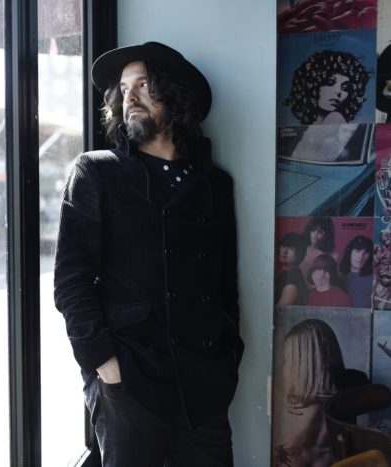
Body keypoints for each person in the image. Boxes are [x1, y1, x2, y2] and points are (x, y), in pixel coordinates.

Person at [54, 41, 243, 467]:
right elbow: (70, 281)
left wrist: (228, 358)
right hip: (130, 381)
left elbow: (224, 283)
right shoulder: (97, 171)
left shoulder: (214, 185)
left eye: (143, 85)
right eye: (124, 89)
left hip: (203, 383)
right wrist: (104, 365)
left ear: (174, 96)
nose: (130, 97)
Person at [274, 319, 367, 467]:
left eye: (286, 361)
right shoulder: (354, 384)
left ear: (297, 366)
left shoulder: (287, 449)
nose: (283, 369)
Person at [284, 50, 370, 125]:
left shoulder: (335, 117)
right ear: (312, 84)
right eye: (330, 83)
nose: (338, 92)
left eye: (345, 88)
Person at [339, 235, 373, 308]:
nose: (361, 256)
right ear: (349, 251)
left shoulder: (374, 279)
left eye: (366, 252)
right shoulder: (337, 274)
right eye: (357, 251)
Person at [276, 232, 308, 306]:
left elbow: (282, 309)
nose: (284, 251)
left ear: (299, 254)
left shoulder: (294, 277)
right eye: (283, 246)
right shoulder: (284, 273)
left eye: (291, 249)